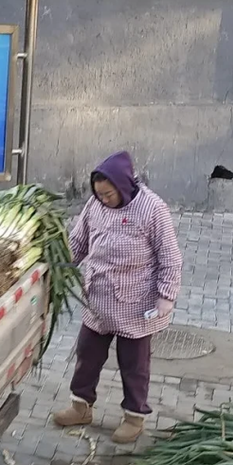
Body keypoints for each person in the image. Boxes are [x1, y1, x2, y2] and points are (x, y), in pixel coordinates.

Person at [52, 151, 183, 445]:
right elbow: (78, 240)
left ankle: (134, 418)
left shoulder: (152, 209)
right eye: (99, 194)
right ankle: (80, 407)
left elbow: (171, 258)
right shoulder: (95, 205)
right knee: (86, 355)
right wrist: (59, 266)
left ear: (123, 186)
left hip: (135, 303)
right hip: (97, 298)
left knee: (134, 364)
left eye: (108, 194)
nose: (104, 199)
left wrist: (166, 296)